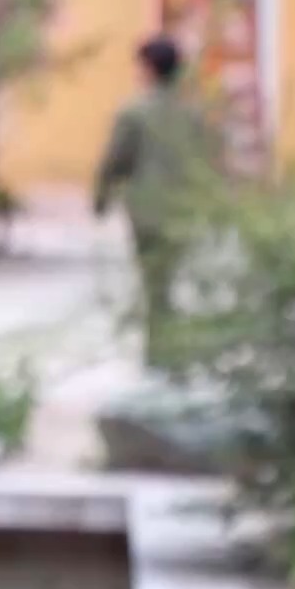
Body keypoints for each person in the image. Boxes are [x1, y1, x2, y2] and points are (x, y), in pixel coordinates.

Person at [94, 34, 221, 368]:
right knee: (167, 278)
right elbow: (206, 162)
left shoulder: (134, 113)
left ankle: (160, 351)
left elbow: (115, 160)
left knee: (154, 281)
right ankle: (168, 347)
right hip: (183, 209)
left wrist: (101, 198)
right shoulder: (192, 114)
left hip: (147, 212)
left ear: (149, 68)